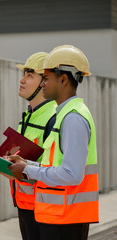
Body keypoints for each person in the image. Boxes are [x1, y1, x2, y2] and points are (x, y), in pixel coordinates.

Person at [8, 45, 99, 240]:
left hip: (66, 221)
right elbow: (56, 165)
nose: (42, 84)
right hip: (58, 217)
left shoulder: (73, 118)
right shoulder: (65, 115)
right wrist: (26, 164)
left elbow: (71, 174)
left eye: (46, 78)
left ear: (63, 80)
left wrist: (28, 170)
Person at [9, 52, 56, 240]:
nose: (22, 80)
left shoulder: (53, 118)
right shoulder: (28, 116)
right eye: (24, 74)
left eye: (30, 75)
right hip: (25, 206)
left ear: (45, 82)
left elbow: (54, 170)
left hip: (44, 210)